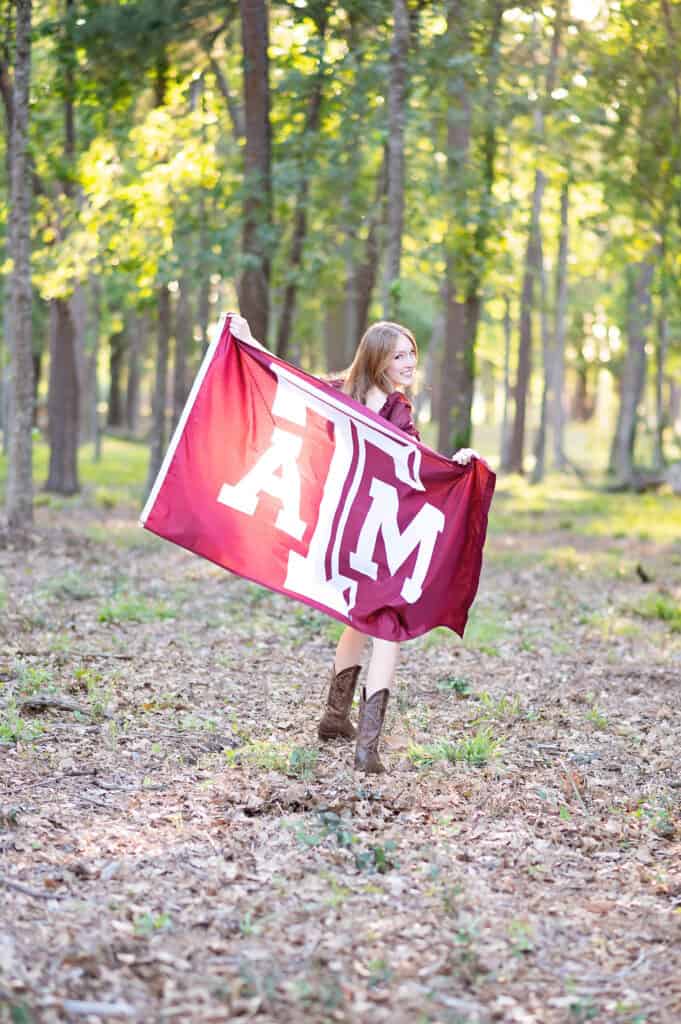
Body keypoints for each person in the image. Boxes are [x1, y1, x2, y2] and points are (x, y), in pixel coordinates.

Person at [228, 314, 477, 775]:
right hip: (356, 530)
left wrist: (456, 463)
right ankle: (367, 748)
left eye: (412, 354)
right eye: (399, 355)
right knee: (389, 624)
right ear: (379, 359)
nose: (408, 363)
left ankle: (334, 717)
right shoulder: (343, 394)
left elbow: (417, 465)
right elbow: (285, 381)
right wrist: (247, 343)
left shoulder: (393, 409)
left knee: (363, 617)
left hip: (366, 531)